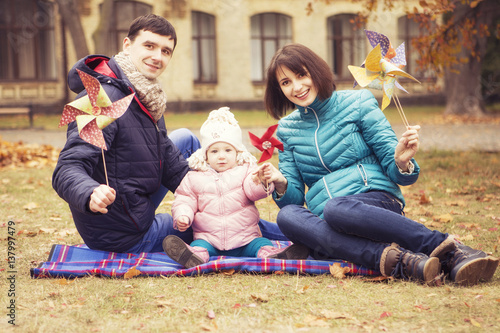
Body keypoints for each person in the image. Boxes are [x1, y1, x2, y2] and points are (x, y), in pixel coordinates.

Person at [262, 43, 499, 285]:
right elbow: (293, 201)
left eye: (301, 75)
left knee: (337, 209)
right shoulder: (287, 129)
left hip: (374, 202)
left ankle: (447, 249)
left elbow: (399, 172)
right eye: (286, 82)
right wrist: (281, 184)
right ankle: (403, 262)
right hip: (326, 219)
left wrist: (401, 161)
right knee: (288, 216)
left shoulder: (357, 102)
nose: (297, 87)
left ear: (316, 70)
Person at [52, 14, 285, 254]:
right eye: (149, 46)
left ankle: (241, 216)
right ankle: (288, 233)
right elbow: (67, 169)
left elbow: (170, 162)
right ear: (127, 45)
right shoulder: (98, 99)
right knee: (221, 226)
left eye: (166, 51)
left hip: (134, 204)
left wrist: (225, 190)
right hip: (121, 232)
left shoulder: (146, 95)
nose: (157, 57)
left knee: (186, 140)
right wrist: (90, 192)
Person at [162, 107, 309, 268]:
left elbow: (253, 192)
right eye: (214, 151)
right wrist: (183, 215)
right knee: (200, 247)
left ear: (237, 152)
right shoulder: (194, 177)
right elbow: (184, 199)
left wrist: (261, 181)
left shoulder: (245, 171)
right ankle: (193, 256)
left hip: (245, 238)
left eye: (228, 150)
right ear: (205, 155)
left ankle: (273, 255)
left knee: (260, 244)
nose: (222, 156)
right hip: (209, 238)